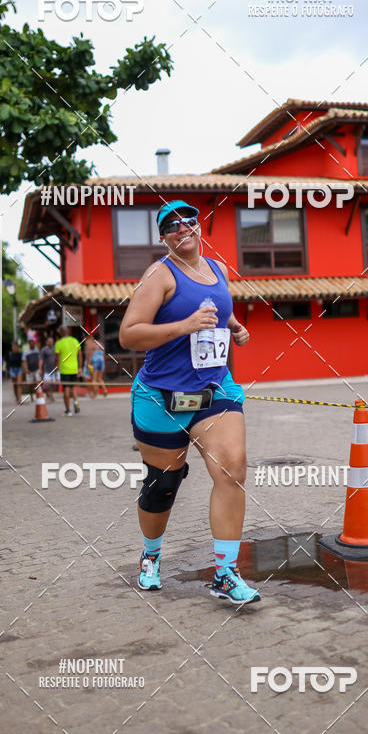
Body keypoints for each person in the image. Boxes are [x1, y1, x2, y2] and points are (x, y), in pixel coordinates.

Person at [119, 200, 259, 605]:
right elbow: (129, 335)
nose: (183, 229)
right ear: (163, 237)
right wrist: (184, 326)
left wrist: (234, 326)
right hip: (162, 396)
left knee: (232, 469)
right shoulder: (158, 275)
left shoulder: (217, 269)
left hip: (214, 393)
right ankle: (151, 555)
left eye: (189, 222)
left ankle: (225, 573)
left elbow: (217, 312)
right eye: (171, 226)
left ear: (200, 226)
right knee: (162, 486)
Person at [55, 326, 82, 416]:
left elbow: (57, 358)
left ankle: (68, 411)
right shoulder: (75, 341)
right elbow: (80, 355)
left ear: (61, 333)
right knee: (73, 388)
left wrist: (56, 369)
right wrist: (80, 368)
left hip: (64, 370)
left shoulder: (59, 343)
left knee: (66, 389)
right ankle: (76, 402)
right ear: (68, 332)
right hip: (74, 368)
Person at [39, 336, 58, 402]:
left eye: (51, 341)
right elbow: (41, 360)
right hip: (46, 370)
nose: (50, 342)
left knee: (52, 384)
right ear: (47, 342)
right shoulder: (44, 350)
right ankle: (48, 395)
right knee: (47, 384)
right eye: (49, 341)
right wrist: (40, 369)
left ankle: (51, 395)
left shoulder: (56, 348)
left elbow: (58, 358)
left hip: (54, 369)